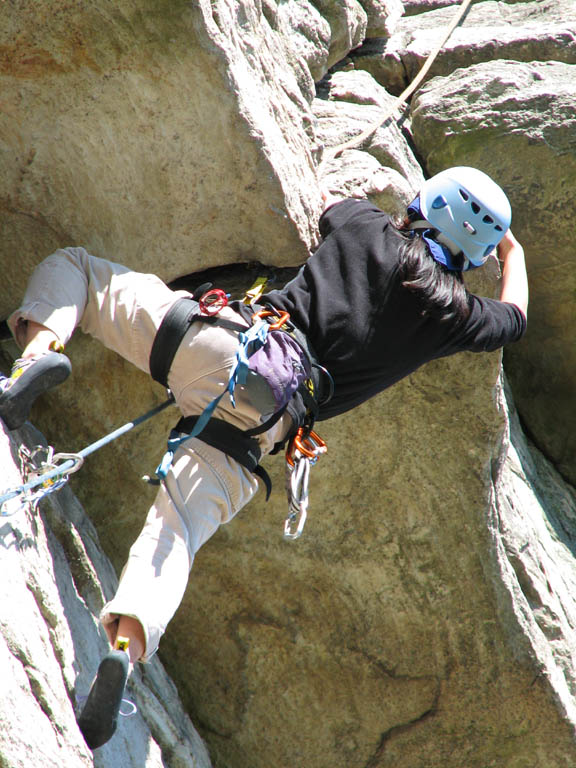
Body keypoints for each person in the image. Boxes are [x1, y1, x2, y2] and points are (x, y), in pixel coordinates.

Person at [0, 166, 528, 749]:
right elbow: (515, 318)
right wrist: (512, 251)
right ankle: (125, 646)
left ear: (424, 205)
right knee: (173, 536)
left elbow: (326, 201)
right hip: (269, 425)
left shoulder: (367, 227)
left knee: (80, 270)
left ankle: (33, 362)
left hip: (230, 346)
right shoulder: (456, 316)